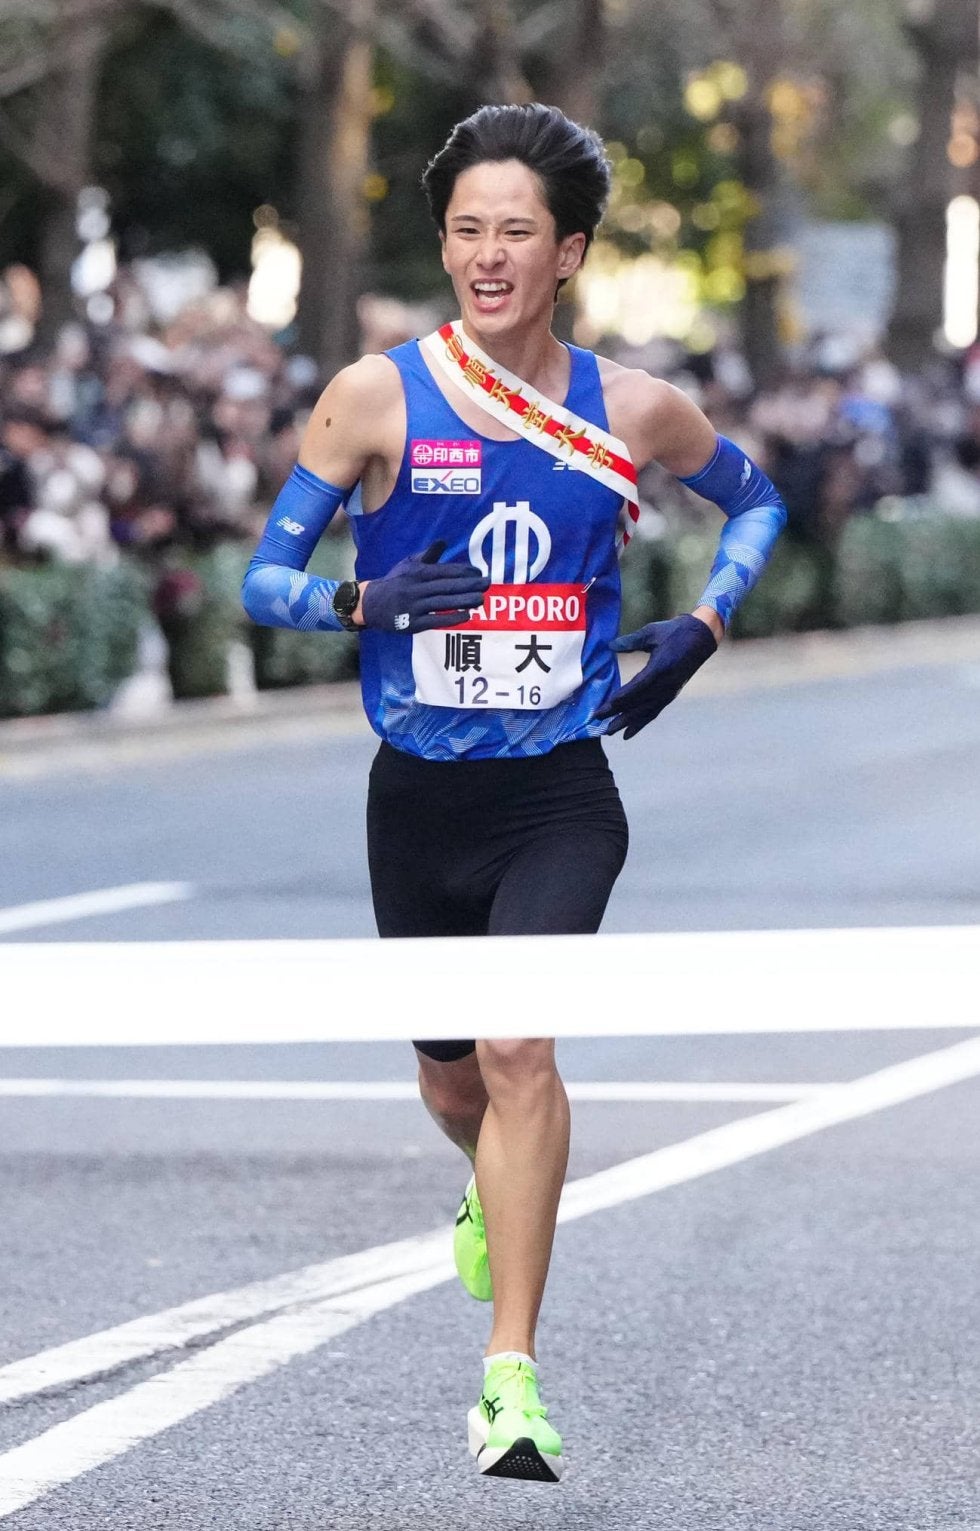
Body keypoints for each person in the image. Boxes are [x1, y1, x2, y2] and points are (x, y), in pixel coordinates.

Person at [242, 102, 787, 1484]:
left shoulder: (629, 408)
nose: (488, 256)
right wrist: (359, 597)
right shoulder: (373, 395)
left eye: (517, 234)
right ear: (448, 244)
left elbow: (762, 504)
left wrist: (702, 628)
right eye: (468, 231)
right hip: (415, 802)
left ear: (570, 254)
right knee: (451, 1085)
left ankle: (512, 1378)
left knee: (518, 1050)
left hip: (559, 792)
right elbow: (258, 581)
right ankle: (487, 1185)